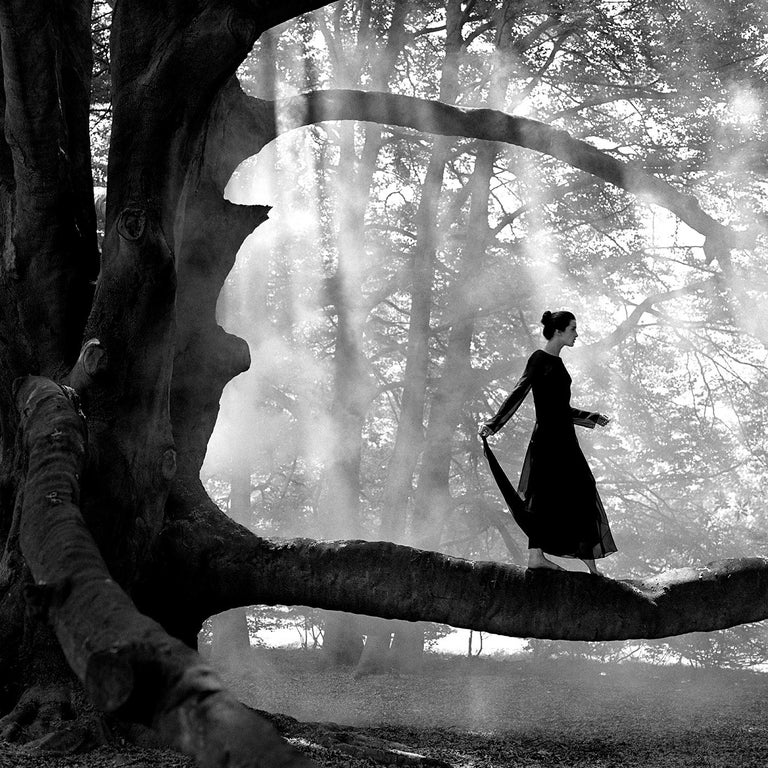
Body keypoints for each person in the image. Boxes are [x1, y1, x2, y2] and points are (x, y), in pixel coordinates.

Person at [478, 310, 617, 574]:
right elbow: (519, 392)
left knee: (582, 488)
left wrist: (592, 417)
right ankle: (536, 557)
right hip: (547, 440)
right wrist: (494, 424)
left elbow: (561, 409)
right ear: (558, 331)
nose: (577, 334)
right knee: (543, 496)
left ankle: (590, 565)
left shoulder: (560, 364)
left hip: (565, 439)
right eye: (573, 329)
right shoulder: (539, 359)